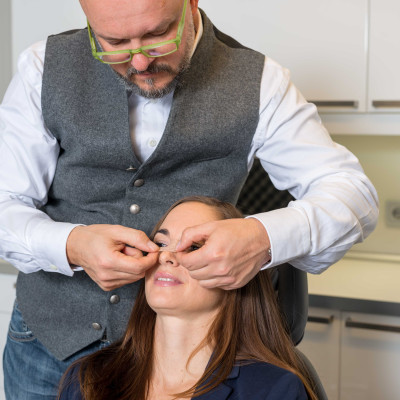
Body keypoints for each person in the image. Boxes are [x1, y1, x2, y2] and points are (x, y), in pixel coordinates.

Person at [0, 0, 378, 397]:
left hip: (189, 361)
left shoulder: (262, 83)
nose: (140, 62)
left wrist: (262, 238)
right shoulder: (42, 68)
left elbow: (354, 196)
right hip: (45, 345)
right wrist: (72, 245)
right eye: (112, 43)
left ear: (191, 4)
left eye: (157, 35)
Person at [58, 196, 317, 400]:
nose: (167, 256)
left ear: (235, 273)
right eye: (161, 243)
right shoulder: (89, 379)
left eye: (194, 247)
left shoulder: (274, 391)